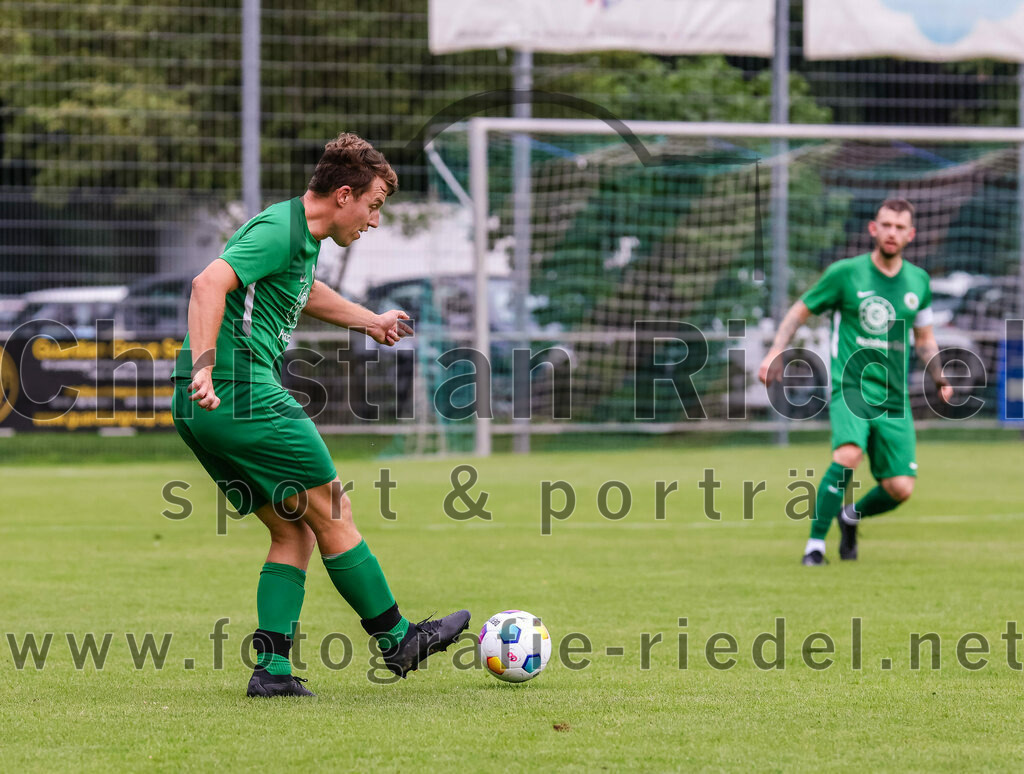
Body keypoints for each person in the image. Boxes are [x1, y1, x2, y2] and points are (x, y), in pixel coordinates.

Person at [171, 133, 470, 697]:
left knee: (292, 531)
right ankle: (397, 638)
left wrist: (370, 321)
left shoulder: (295, 238)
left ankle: (273, 670)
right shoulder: (279, 231)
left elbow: (305, 293)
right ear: (343, 194)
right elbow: (208, 282)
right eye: (374, 205)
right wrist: (207, 364)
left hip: (203, 407)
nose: (375, 220)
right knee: (334, 508)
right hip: (240, 393)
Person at [758, 198, 953, 566]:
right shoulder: (845, 274)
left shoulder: (918, 281)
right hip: (852, 386)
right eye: (886, 225)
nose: (892, 232)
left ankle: (851, 517)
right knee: (848, 455)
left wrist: (940, 375)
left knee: (900, 488)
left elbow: (924, 339)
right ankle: (814, 547)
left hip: (894, 398)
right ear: (873, 229)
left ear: (910, 234)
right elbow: (800, 310)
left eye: (899, 227)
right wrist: (774, 352)